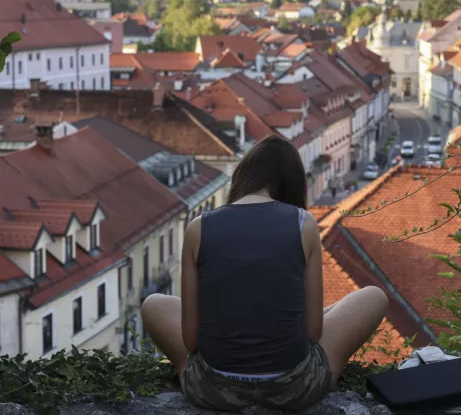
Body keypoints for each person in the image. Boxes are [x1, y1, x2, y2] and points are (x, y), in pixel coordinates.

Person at [141, 135, 389, 411]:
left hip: (213, 390)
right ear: (292, 184)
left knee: (154, 304)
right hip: (293, 389)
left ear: (243, 175)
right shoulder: (302, 223)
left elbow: (190, 341)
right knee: (373, 297)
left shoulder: (198, 228)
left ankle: (193, 375)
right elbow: (313, 333)